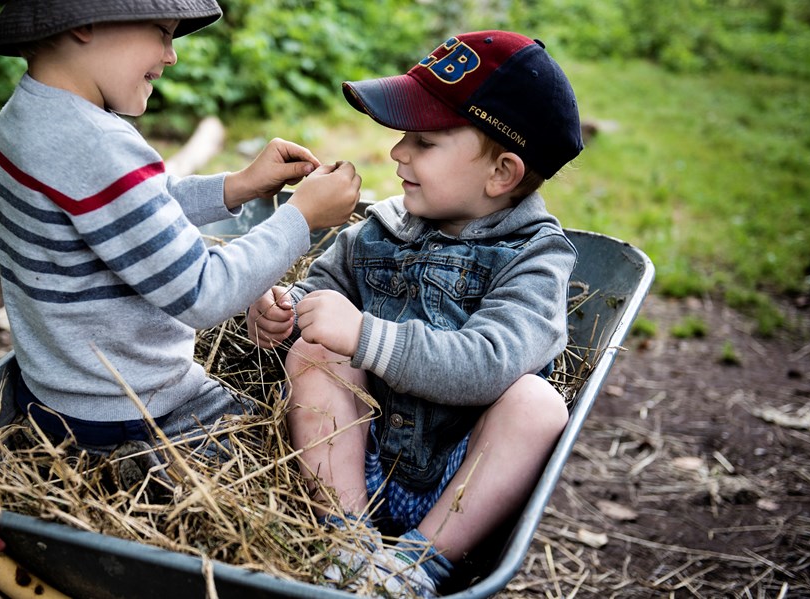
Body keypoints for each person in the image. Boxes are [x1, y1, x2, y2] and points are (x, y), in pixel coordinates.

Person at [247, 31, 584, 597]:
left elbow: (489, 364)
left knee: (537, 403)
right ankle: (349, 539)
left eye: (424, 142)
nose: (397, 152)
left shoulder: (535, 259)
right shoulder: (379, 231)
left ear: (501, 173)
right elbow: (321, 295)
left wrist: (365, 335)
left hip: (461, 477)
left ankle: (420, 566)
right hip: (363, 456)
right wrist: (285, 310)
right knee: (316, 351)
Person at [0, 0, 362, 456]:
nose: (171, 54)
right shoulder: (98, 145)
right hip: (134, 409)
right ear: (86, 23)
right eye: (163, 32)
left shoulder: (33, 114)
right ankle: (150, 466)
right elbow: (202, 293)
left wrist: (238, 186)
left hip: (59, 394)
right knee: (299, 440)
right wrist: (301, 217)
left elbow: (137, 212)